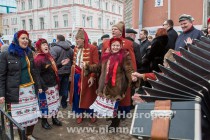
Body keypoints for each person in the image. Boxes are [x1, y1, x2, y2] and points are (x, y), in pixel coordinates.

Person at [0, 30, 42, 140]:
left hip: (30, 90)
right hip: (16, 92)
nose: (25, 41)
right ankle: (22, 136)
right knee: (19, 118)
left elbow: (34, 71)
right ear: (16, 39)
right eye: (23, 38)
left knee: (32, 115)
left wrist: (40, 86)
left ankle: (29, 135)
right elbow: (2, 76)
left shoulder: (28, 52)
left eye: (27, 39)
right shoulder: (6, 54)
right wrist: (1, 94)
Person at [84, 37, 138, 122]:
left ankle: (115, 122)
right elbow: (99, 67)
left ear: (121, 46)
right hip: (104, 85)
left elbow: (128, 69)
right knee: (107, 105)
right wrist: (88, 67)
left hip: (116, 86)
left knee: (114, 106)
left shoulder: (125, 56)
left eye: (117, 45)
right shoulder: (106, 55)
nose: (115, 47)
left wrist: (132, 76)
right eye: (113, 45)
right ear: (110, 46)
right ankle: (111, 117)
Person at [102, 21, 137, 127]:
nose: (113, 31)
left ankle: (116, 119)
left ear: (121, 31)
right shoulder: (106, 43)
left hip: (121, 77)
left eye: (115, 29)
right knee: (108, 97)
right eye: (112, 29)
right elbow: (103, 59)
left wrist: (132, 74)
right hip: (108, 75)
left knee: (120, 98)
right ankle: (111, 115)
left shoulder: (127, 43)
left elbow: (131, 61)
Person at [34, 38, 69, 129]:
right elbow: (37, 75)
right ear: (39, 47)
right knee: (45, 105)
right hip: (45, 87)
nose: (46, 46)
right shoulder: (38, 59)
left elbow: (52, 68)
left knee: (55, 104)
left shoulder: (49, 56)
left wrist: (61, 64)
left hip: (54, 84)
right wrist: (44, 87)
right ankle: (44, 122)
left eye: (46, 44)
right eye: (43, 45)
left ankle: (54, 119)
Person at [69, 28, 99, 124]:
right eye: (76, 38)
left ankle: (92, 114)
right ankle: (79, 114)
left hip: (87, 76)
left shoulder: (93, 48)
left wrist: (92, 76)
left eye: (79, 39)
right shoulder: (75, 48)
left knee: (89, 96)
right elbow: (74, 63)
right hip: (77, 75)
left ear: (84, 39)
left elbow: (96, 64)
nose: (76, 40)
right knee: (77, 96)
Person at [50, 35, 73, 109]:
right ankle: (64, 103)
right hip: (67, 71)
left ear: (57, 40)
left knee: (56, 88)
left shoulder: (55, 48)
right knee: (65, 88)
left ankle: (56, 103)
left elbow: (52, 61)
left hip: (58, 71)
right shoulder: (70, 49)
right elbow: (72, 60)